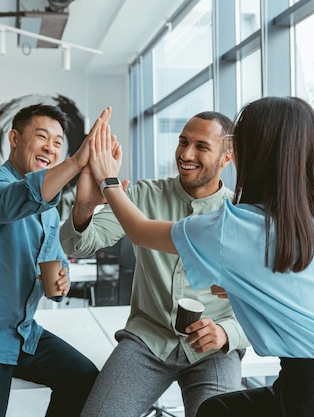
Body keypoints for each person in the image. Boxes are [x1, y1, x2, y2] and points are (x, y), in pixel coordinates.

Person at [86, 96, 314, 417]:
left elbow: (139, 230)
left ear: (251, 153)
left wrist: (109, 180)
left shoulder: (237, 224)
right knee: (216, 410)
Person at [0, 104, 114, 417]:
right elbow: (7, 203)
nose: (50, 148)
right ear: (14, 138)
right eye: (42, 137)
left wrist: (58, 282)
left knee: (83, 379)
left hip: (20, 333)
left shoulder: (50, 214)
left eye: (57, 143)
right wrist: (76, 161)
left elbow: (49, 279)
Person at [60, 112, 250, 417]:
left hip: (213, 351)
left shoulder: (241, 214)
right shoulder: (143, 195)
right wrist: (84, 205)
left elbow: (263, 297)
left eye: (201, 146)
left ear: (226, 158)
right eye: (183, 142)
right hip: (147, 340)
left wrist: (228, 332)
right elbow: (78, 245)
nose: (186, 154)